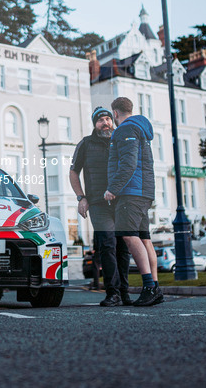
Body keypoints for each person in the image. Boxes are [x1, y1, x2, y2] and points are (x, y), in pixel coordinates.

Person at [70, 106, 132, 307]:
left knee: (124, 247)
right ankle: (112, 293)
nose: (105, 123)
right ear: (94, 124)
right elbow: (73, 173)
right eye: (100, 120)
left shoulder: (120, 140)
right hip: (98, 203)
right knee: (107, 244)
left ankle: (124, 292)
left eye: (107, 119)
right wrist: (81, 198)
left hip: (122, 202)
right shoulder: (85, 144)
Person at [103, 97, 161, 307]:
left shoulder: (125, 130)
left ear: (115, 113)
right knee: (145, 238)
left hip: (131, 193)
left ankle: (149, 287)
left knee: (128, 236)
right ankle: (155, 287)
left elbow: (128, 163)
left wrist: (112, 189)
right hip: (143, 192)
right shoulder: (140, 129)